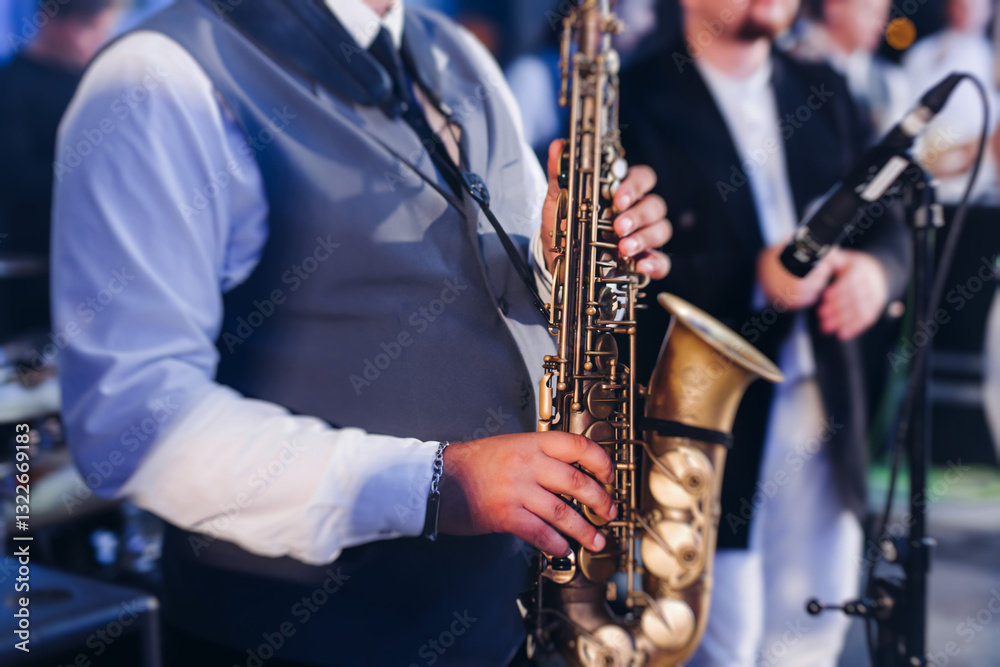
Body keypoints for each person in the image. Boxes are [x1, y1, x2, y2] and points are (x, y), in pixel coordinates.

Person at [50, 0, 672, 665]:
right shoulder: (156, 77)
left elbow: (477, 281)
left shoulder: (456, 51)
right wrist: (435, 484)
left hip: (508, 624)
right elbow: (130, 425)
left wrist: (561, 257)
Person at [619, 0, 911, 663]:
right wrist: (752, 275)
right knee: (718, 634)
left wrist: (876, 272)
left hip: (824, 406)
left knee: (812, 630)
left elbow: (887, 216)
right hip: (708, 426)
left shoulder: (821, 88)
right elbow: (620, 271)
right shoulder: (634, 96)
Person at [0, 0, 118, 341]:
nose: (100, 40)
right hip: (30, 278)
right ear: (56, 22)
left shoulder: (96, 88)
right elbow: (17, 182)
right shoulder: (10, 89)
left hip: (93, 276)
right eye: (95, 27)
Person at [902, 0, 999, 203]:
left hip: (975, 177)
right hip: (923, 165)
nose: (968, 13)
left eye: (975, 7)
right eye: (962, 5)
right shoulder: (920, 54)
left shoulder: (991, 59)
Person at [786, 0, 910, 136]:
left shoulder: (889, 82)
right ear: (833, 6)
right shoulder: (792, 57)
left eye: (884, 12)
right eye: (868, 9)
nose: (881, 22)